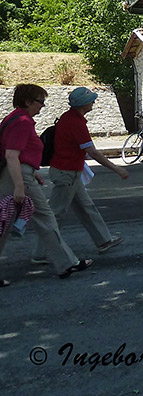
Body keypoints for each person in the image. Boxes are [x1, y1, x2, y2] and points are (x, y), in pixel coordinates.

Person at [0, 84, 92, 283]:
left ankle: (66, 263)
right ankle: (66, 263)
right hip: (18, 175)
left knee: (5, 222)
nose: (42, 106)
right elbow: (11, 155)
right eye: (40, 102)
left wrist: (32, 173)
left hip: (19, 173)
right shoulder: (23, 121)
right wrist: (20, 185)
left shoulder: (12, 118)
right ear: (27, 102)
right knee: (46, 217)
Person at [32, 87, 126, 265]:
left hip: (69, 173)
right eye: (91, 100)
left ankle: (104, 240)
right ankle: (40, 253)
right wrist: (118, 169)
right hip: (67, 173)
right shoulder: (76, 123)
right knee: (56, 214)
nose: (94, 102)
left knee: (86, 207)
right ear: (83, 104)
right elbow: (93, 152)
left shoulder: (69, 118)